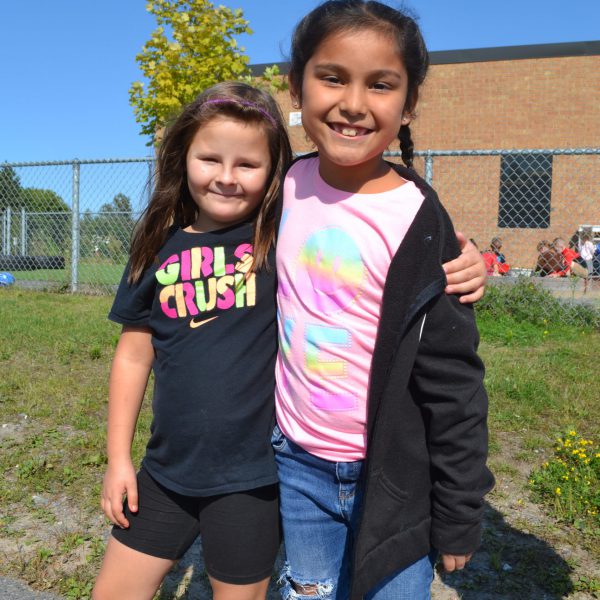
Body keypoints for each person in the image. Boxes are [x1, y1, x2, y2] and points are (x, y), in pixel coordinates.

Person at [271, 2, 494, 600]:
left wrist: (459, 511)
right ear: (296, 85)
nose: (353, 103)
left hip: (396, 477)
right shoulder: (277, 191)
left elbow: (455, 383)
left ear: (409, 102)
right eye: (332, 76)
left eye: (381, 84)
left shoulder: (422, 222)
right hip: (296, 464)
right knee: (308, 591)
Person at [92, 81, 293, 600]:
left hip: (251, 482)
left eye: (247, 164)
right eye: (210, 159)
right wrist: (118, 460)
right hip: (165, 475)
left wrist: (460, 255)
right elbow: (134, 357)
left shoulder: (281, 238)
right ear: (184, 158)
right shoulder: (158, 246)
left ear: (273, 170)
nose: (226, 178)